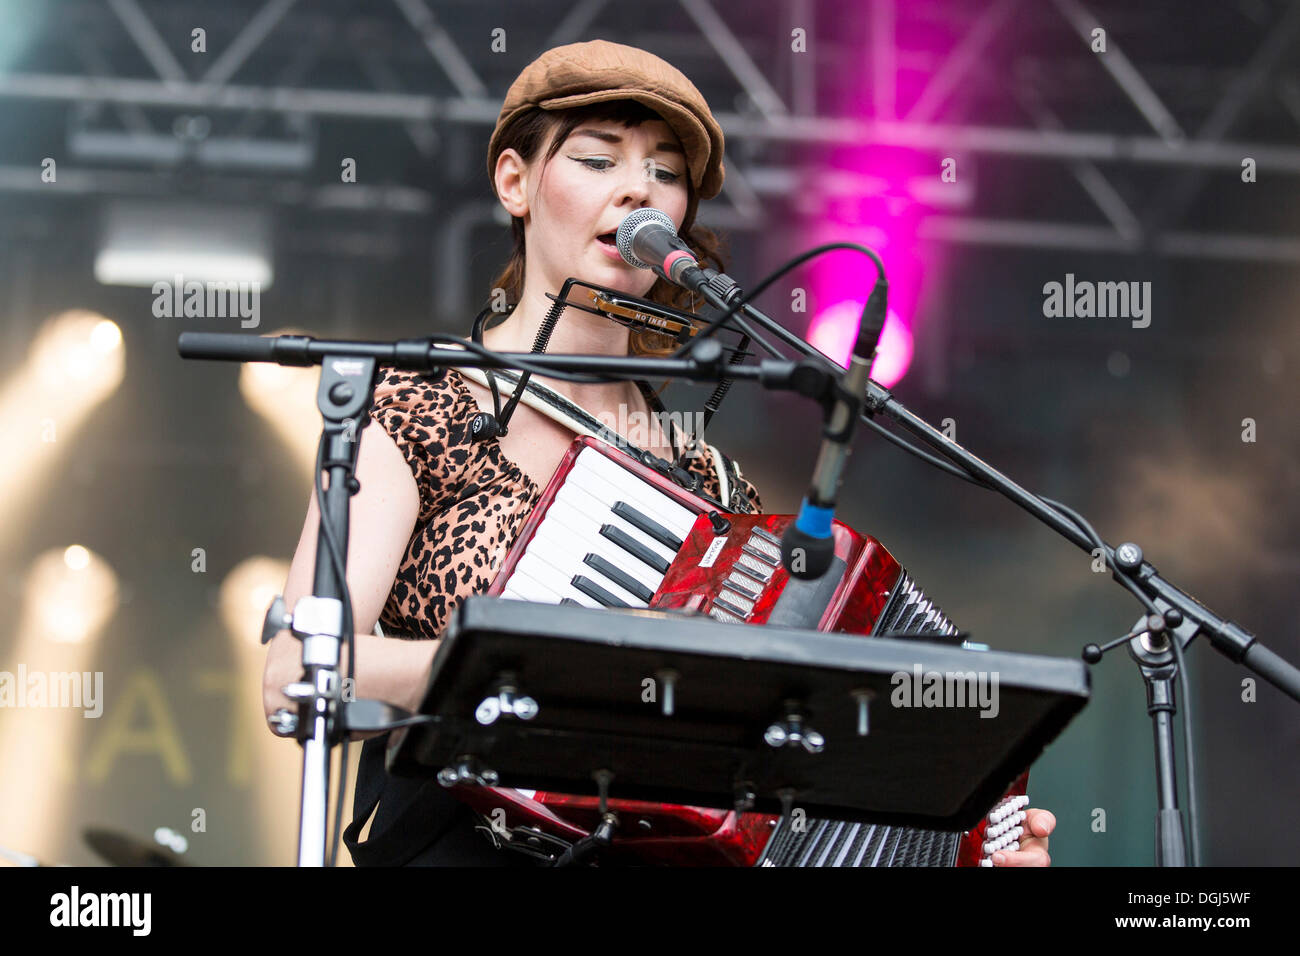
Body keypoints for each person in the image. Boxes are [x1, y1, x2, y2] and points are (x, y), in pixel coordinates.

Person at [263, 39, 1054, 867]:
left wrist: (956, 844)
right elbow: (301, 668)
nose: (638, 187)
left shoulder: (708, 480)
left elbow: (775, 778)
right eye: (598, 159)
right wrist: (540, 670)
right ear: (514, 181)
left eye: (666, 174)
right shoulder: (418, 404)